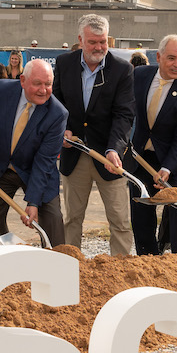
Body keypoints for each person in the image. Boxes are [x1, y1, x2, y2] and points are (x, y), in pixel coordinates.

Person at [53, 13, 136, 255]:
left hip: (109, 157)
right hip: (74, 155)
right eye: (92, 42)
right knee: (71, 220)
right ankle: (69, 267)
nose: (99, 47)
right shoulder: (64, 64)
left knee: (120, 221)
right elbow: (56, 105)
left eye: (103, 42)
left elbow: (124, 115)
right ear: (80, 40)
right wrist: (62, 130)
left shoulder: (122, 70)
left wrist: (114, 149)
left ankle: (120, 273)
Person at [0, 58, 67, 247]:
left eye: (48, 84)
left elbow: (44, 161)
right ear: (22, 80)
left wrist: (34, 202)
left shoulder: (57, 114)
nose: (43, 90)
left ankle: (55, 267)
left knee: (53, 221)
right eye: (37, 83)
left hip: (35, 171)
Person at [127, 35, 177, 254]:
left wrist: (167, 168)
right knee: (141, 210)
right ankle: (148, 258)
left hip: (174, 160)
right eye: (171, 58)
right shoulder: (139, 76)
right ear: (158, 57)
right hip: (141, 155)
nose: (176, 64)